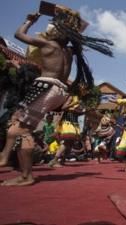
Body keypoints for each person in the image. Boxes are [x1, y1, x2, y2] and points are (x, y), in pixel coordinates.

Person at [0, 5, 112, 186]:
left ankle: (26, 176)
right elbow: (80, 29)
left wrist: (29, 21)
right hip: (59, 91)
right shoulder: (69, 51)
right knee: (15, 128)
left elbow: (18, 35)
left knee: (23, 131)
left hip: (45, 86)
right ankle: (7, 159)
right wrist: (69, 18)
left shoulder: (48, 44)